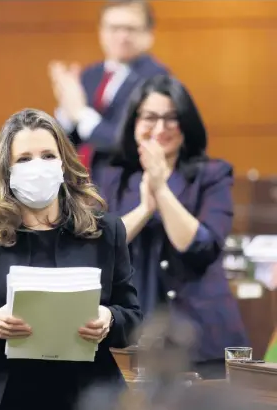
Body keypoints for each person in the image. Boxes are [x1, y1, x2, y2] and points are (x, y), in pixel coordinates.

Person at [0, 108, 142, 410]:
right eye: (24, 159)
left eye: (47, 155)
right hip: (2, 392)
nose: (38, 167)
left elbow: (132, 316)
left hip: (88, 393)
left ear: (64, 163)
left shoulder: (105, 229)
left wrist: (109, 319)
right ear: (6, 169)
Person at [99, 75, 248, 379]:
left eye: (171, 118)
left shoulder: (212, 175)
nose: (160, 128)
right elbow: (99, 247)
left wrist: (160, 189)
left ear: (186, 124)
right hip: (133, 338)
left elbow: (200, 246)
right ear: (134, 122)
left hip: (202, 338)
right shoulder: (111, 177)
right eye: (150, 117)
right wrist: (144, 209)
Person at [49, 0, 168, 182]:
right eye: (113, 28)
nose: (122, 36)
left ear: (149, 34)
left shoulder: (157, 79)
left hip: (124, 188)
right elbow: (70, 141)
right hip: (79, 188)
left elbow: (131, 144)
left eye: (130, 29)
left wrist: (80, 114)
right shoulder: (89, 74)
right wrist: (67, 112)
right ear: (101, 31)